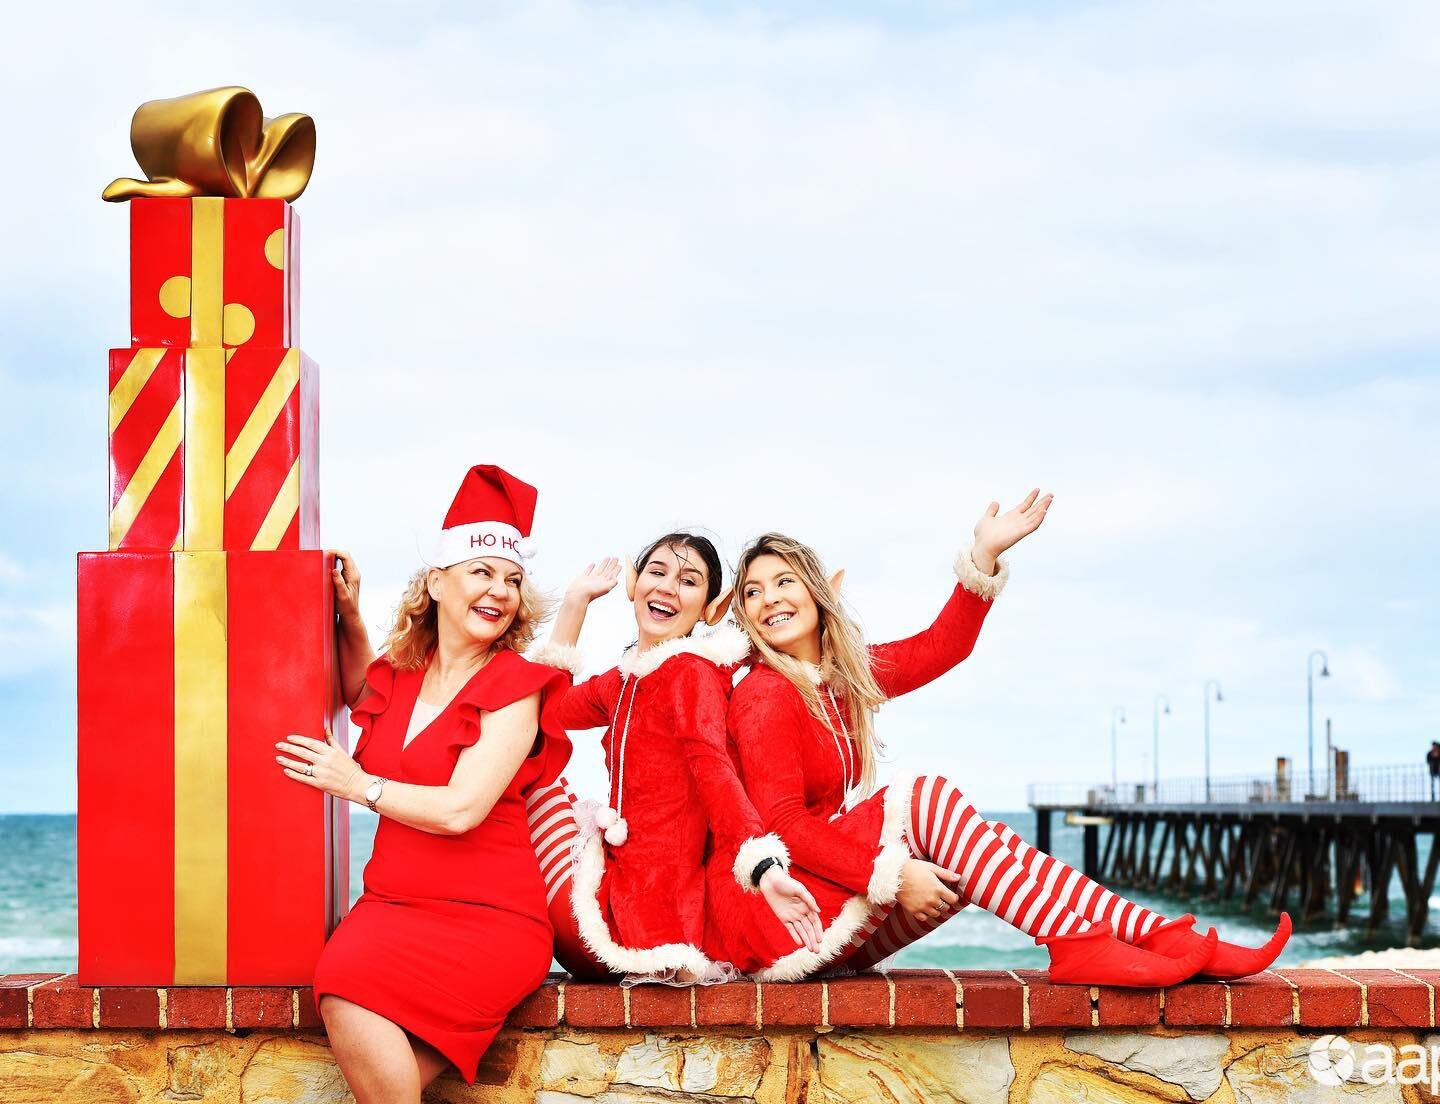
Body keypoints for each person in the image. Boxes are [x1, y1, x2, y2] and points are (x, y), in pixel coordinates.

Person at [717, 491, 1291, 986]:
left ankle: (1153, 935)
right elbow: (783, 827)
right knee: (925, 798)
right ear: (743, 616)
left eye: (783, 581)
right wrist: (890, 876)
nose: (769, 598)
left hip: (818, 922)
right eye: (752, 592)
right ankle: (1084, 945)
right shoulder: (764, 695)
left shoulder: (843, 680)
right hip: (777, 926)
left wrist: (984, 555)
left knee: (988, 845)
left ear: (818, 594)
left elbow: (943, 646)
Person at [277, 465, 572, 1102]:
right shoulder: (402, 674)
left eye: (513, 580)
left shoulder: (514, 688)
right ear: (437, 581)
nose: (501, 591)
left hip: (490, 918)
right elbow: (361, 689)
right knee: (350, 994)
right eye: (483, 572)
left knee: (349, 989)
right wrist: (350, 614)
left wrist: (361, 787)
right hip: (392, 906)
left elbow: (462, 809)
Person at [524, 532, 823, 984]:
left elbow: (715, 772)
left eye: (688, 581)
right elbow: (546, 710)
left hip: (644, 927)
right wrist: (575, 603)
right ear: (634, 585)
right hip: (611, 899)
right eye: (657, 572)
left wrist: (762, 867)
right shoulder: (621, 680)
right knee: (526, 756)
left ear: (710, 609)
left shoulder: (689, 672)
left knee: (535, 777)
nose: (666, 587)